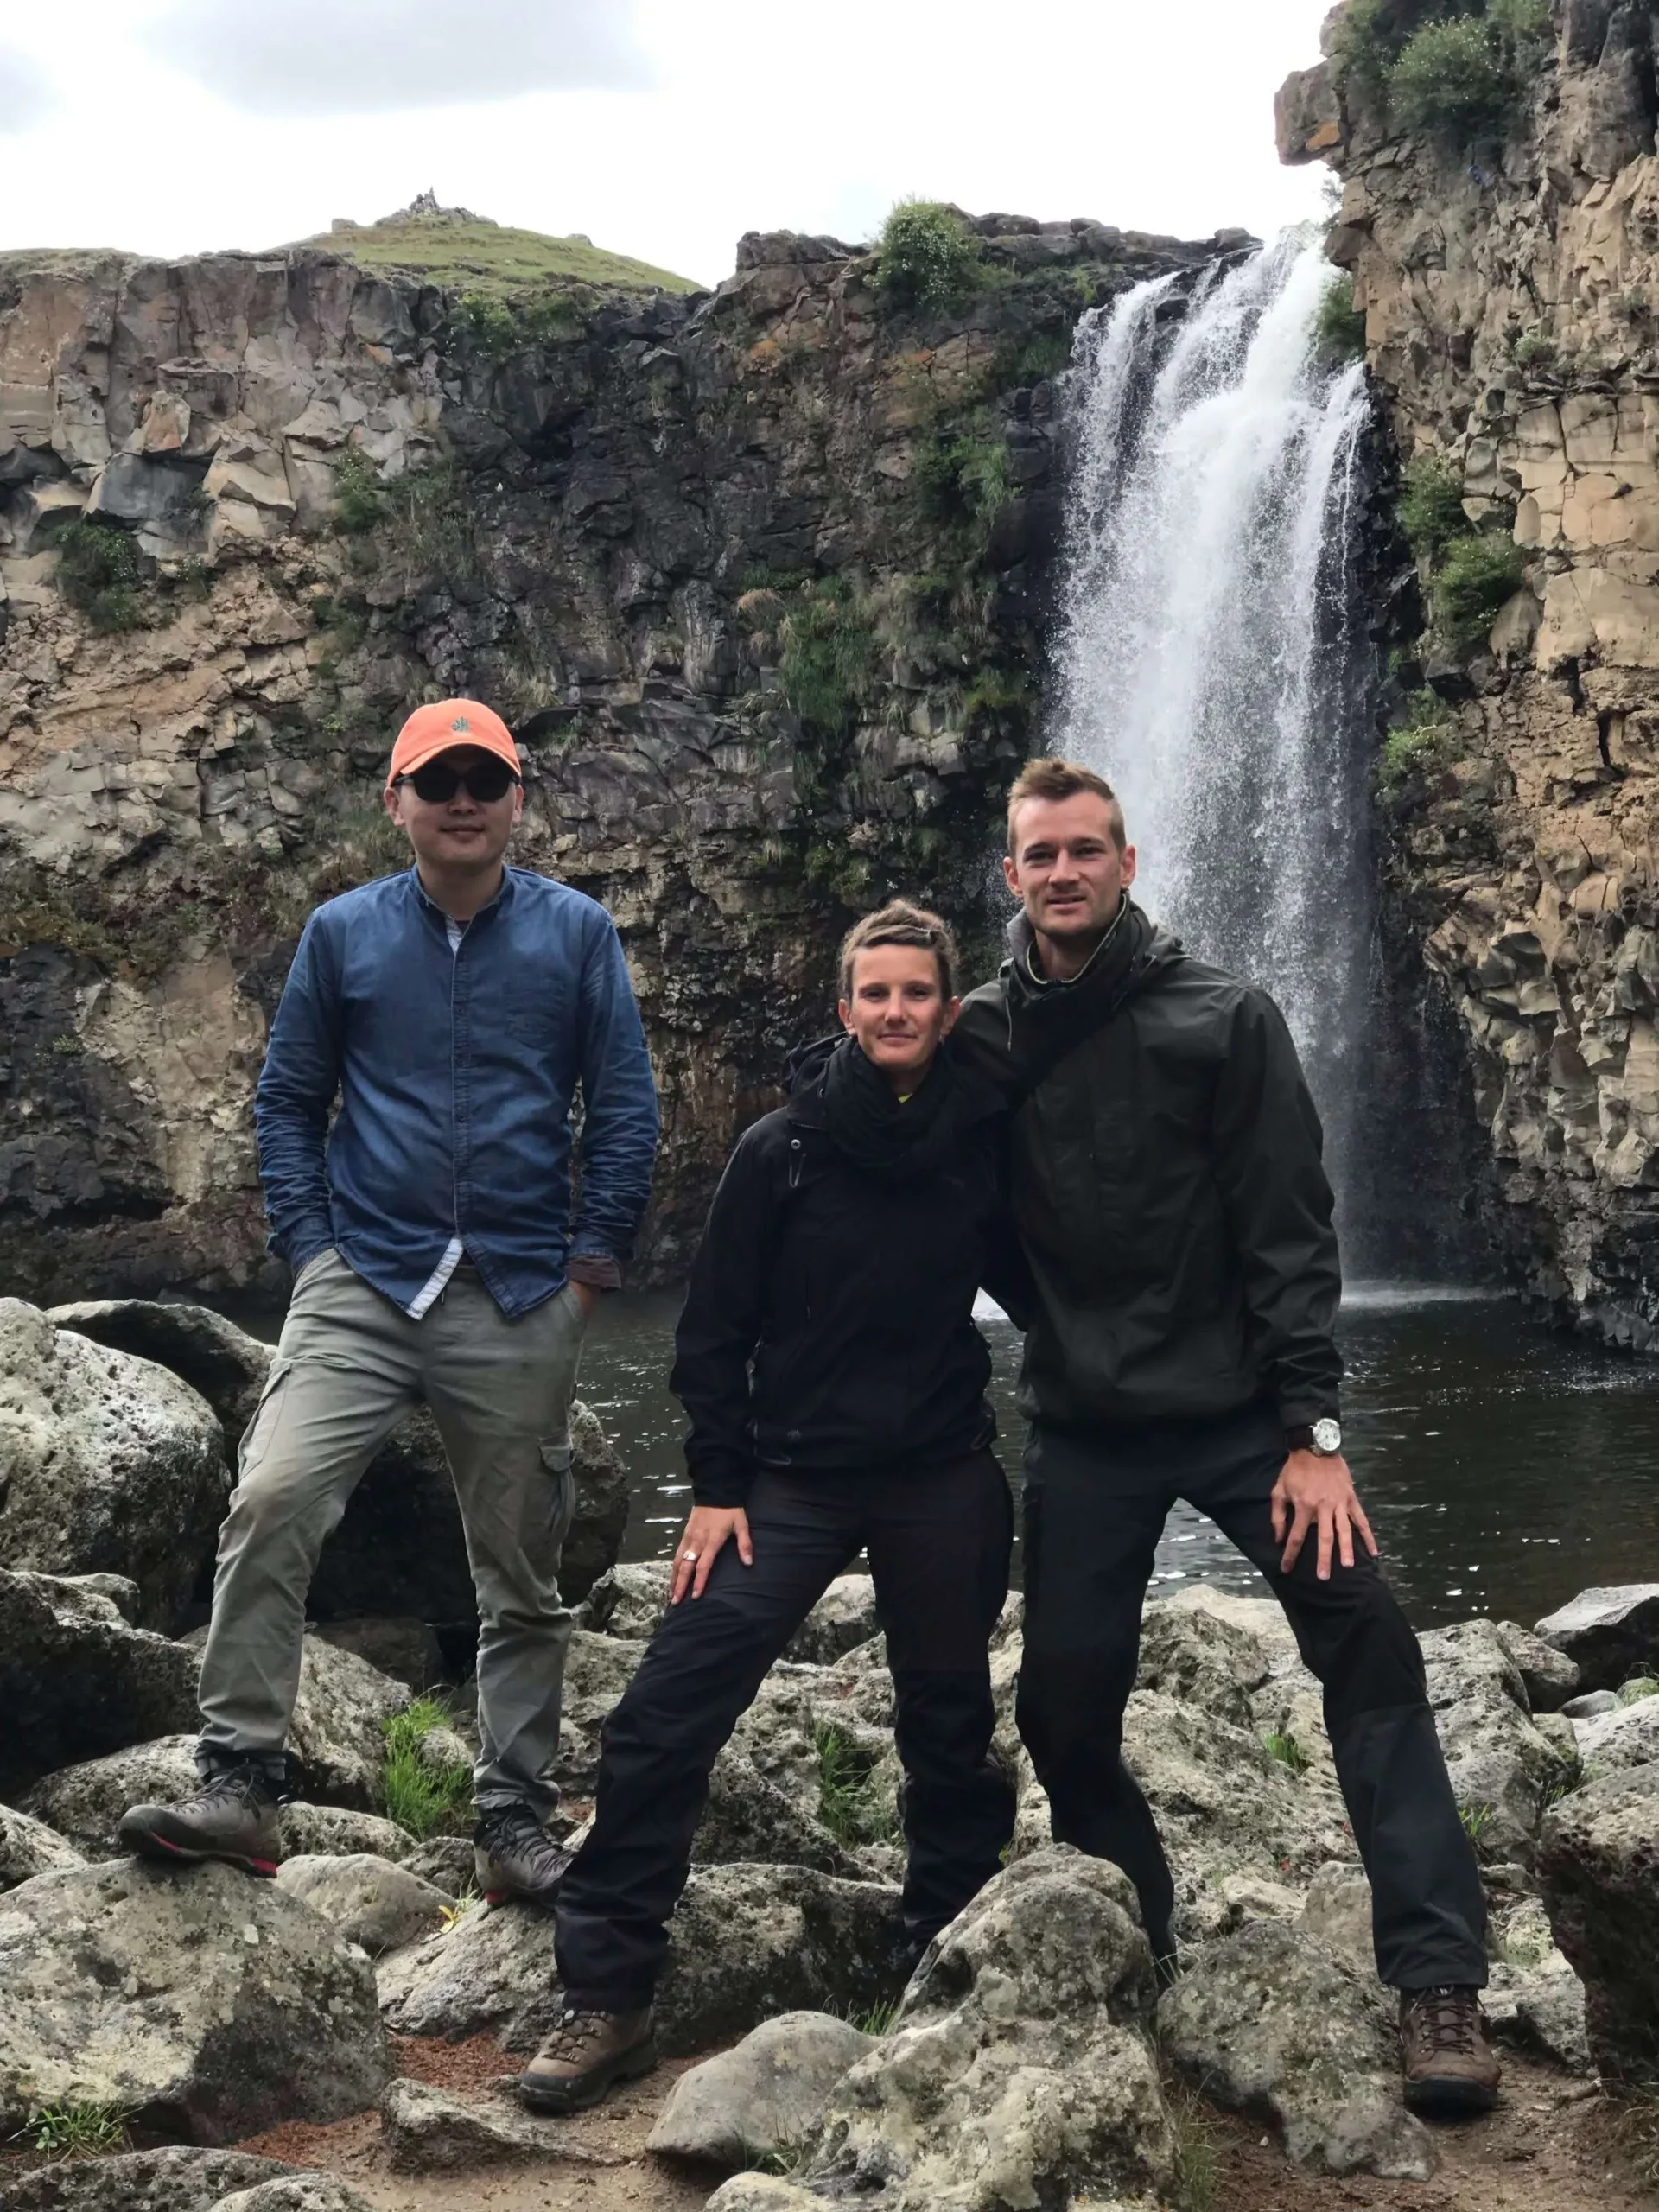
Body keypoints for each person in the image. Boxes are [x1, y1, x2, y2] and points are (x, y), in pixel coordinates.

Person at [952, 757, 1500, 2119]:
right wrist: (1061, 1327)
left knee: (1367, 1637)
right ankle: (1140, 1929)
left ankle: (1438, 1981)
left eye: (1088, 850)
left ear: (1128, 866)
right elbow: (935, 1203)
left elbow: (1291, 1233)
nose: (1064, 870)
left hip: (1252, 1423)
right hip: (1086, 1428)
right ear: (1011, 874)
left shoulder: (1226, 1017)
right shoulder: (978, 1038)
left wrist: (1316, 1428)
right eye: (1041, 854)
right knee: (1064, 1704)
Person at [120, 698, 659, 1911]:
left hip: (520, 1289)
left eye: (484, 779)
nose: (462, 800)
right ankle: (240, 1781)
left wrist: (585, 1281)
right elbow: (286, 1103)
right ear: (396, 799)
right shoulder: (340, 934)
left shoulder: (576, 934)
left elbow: (623, 1112)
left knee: (521, 1568)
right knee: (270, 1497)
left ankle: (513, 1814)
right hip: (361, 1279)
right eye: (439, 781)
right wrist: (312, 1255)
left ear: (518, 795)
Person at [515, 899, 1022, 2114]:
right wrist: (718, 1486)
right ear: (844, 1010)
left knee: (950, 1719)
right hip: (786, 1476)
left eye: (916, 995)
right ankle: (609, 1993)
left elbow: (1063, 1284)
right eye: (874, 994)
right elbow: (713, 1333)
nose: (895, 1012)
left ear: (949, 1015)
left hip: (941, 1470)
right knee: (667, 1705)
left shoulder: (984, 1139)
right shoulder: (779, 1149)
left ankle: (940, 1946)